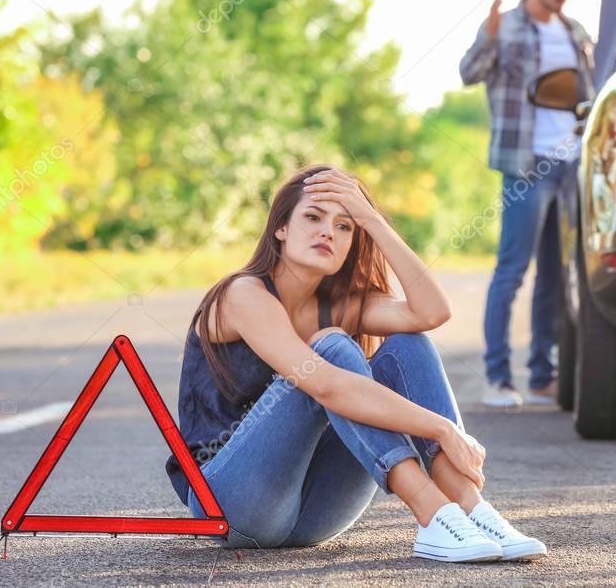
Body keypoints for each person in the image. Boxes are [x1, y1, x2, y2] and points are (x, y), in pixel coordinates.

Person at [163, 164, 546, 562]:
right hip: (231, 504)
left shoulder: (341, 304)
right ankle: (434, 514)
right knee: (332, 351)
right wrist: (443, 428)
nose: (328, 231)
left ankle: (471, 507)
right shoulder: (243, 294)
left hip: (314, 515)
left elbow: (430, 312)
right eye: (312, 217)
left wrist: (372, 220)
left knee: (406, 346)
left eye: (345, 226)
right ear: (281, 228)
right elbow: (328, 386)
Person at [460, 0, 595, 408]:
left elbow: (589, 97)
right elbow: (468, 73)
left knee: (556, 275)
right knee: (512, 271)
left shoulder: (575, 31)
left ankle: (542, 376)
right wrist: (488, 37)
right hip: (527, 164)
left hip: (570, 166)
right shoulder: (508, 26)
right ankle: (497, 379)